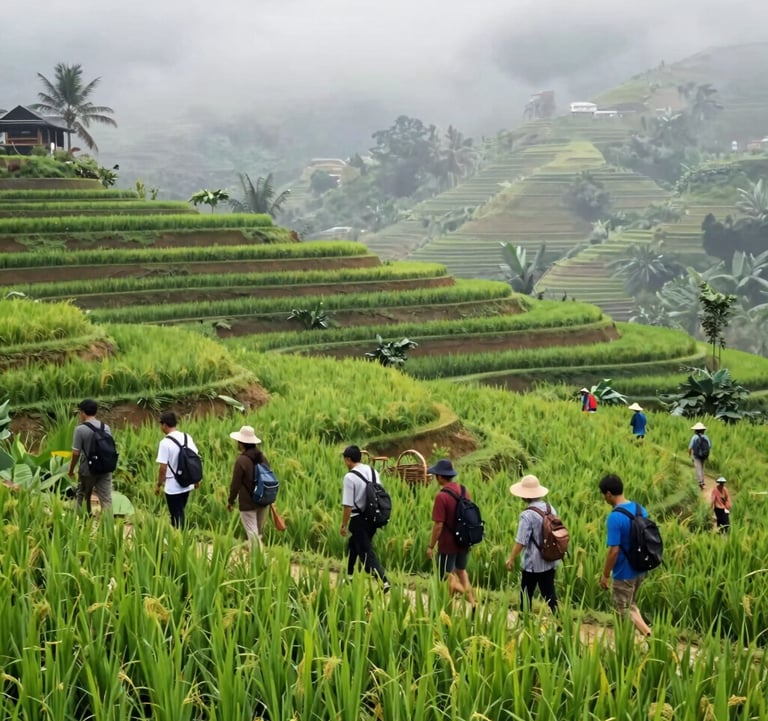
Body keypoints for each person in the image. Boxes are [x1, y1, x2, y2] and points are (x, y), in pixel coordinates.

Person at [598, 473, 652, 637]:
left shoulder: (615, 517)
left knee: (623, 608)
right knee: (630, 604)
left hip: (624, 572)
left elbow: (614, 551)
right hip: (640, 568)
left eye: (603, 495)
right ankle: (630, 637)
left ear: (608, 494)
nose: (604, 499)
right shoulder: (640, 509)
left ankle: (648, 634)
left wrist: (606, 575)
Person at [426, 459, 477, 609]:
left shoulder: (441, 496)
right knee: (461, 571)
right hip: (464, 539)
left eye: (436, 475)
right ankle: (473, 602)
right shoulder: (463, 490)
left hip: (448, 542)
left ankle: (446, 606)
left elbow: (438, 525)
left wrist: (431, 546)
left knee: (446, 575)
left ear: (440, 477)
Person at [505, 474, 559, 613]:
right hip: (550, 559)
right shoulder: (549, 508)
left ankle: (525, 623)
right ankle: (560, 622)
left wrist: (511, 558)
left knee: (526, 594)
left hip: (533, 564)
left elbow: (521, 541)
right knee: (549, 593)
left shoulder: (527, 515)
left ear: (525, 496)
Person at [340, 445, 390, 590]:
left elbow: (348, 506)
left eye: (345, 460)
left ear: (348, 460)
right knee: (353, 543)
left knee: (366, 552)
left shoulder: (350, 477)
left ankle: (384, 581)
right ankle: (349, 576)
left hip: (358, 519)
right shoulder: (372, 471)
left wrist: (344, 524)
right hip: (373, 518)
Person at [68, 398, 113, 515]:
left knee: (82, 495)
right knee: (106, 498)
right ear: (95, 412)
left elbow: (76, 453)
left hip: (88, 469)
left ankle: (83, 523)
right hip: (105, 468)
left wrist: (71, 470)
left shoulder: (80, 430)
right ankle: (107, 527)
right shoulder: (106, 427)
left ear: (82, 412)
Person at [227, 425, 269, 549]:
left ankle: (258, 562)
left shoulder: (241, 460)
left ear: (241, 443)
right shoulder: (262, 458)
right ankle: (257, 560)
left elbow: (235, 484)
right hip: (263, 500)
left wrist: (230, 501)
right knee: (258, 534)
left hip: (248, 503)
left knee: (252, 534)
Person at [155, 411, 200, 528]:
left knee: (176, 515)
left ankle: (181, 539)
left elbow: (162, 468)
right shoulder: (186, 437)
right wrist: (196, 479)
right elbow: (195, 459)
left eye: (161, 424)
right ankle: (179, 537)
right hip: (187, 483)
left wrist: (159, 484)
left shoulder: (164, 443)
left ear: (164, 425)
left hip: (173, 486)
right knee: (179, 511)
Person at [688, 422, 712, 490]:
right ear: (703, 430)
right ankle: (702, 481)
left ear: (695, 430)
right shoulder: (706, 437)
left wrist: (689, 454)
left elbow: (690, 447)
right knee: (701, 467)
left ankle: (700, 482)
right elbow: (709, 446)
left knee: (698, 468)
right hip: (704, 456)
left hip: (696, 456)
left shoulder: (694, 437)